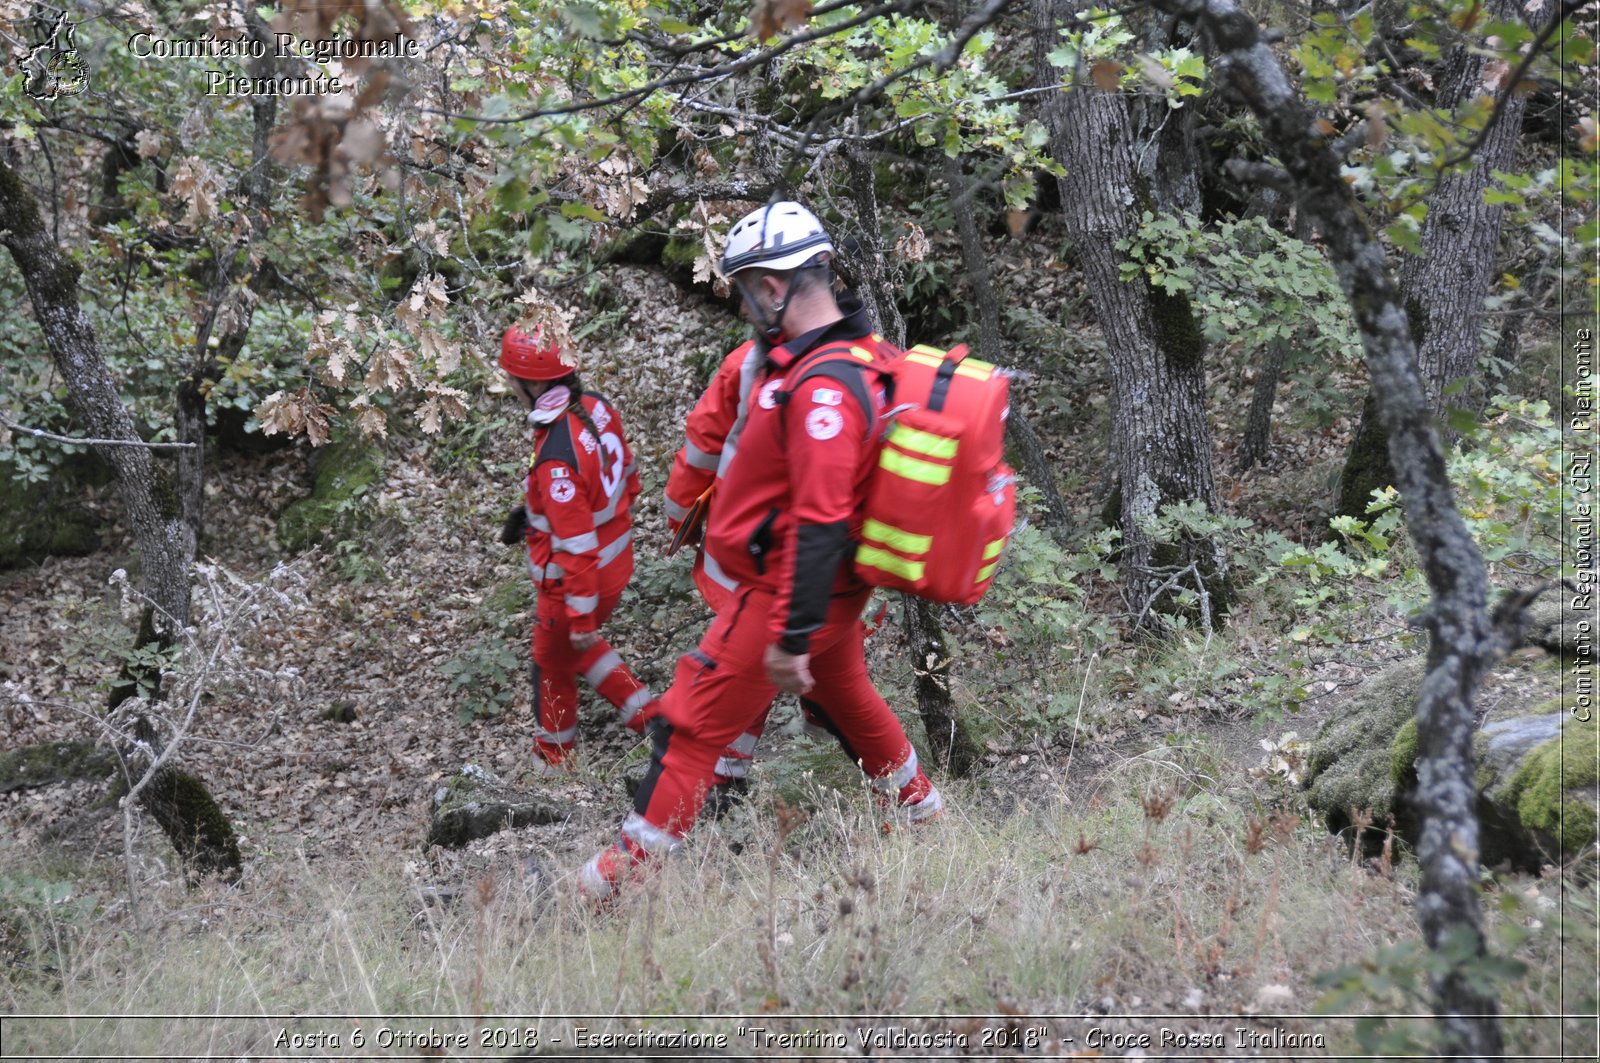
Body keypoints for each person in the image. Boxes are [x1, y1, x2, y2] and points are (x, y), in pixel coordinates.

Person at [581, 202, 944, 897]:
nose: (746, 307)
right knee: (850, 694)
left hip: (783, 593)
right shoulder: (867, 356)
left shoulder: (821, 389)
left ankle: (612, 885)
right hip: (835, 594)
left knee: (689, 727)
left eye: (746, 290)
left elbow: (820, 514)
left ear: (773, 289)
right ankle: (923, 810)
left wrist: (791, 634)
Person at [498, 322, 659, 770]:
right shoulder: (595, 407)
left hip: (574, 582)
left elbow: (576, 541)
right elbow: (626, 475)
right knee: (578, 651)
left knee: (552, 665)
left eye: (513, 379)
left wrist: (582, 614)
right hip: (616, 560)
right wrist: (533, 515)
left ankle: (554, 758)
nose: (510, 386)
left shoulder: (556, 454)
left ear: (533, 383)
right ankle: (649, 718)